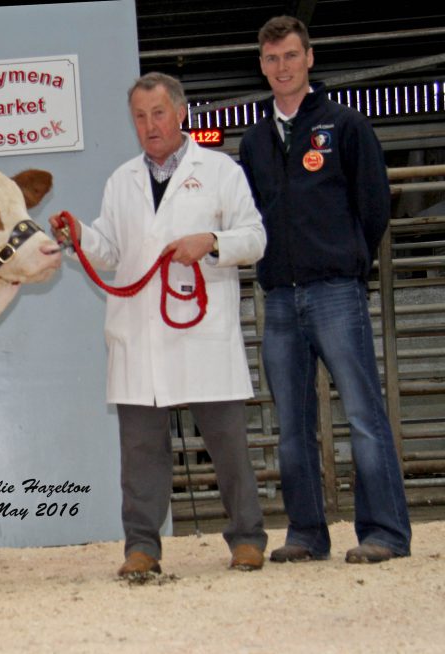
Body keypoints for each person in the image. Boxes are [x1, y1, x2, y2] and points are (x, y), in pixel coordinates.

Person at [50, 72, 268, 577]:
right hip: (141, 335)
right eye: (140, 117)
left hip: (202, 331)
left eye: (159, 114)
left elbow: (255, 237)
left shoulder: (220, 171)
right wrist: (78, 234)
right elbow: (109, 250)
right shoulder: (121, 180)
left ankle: (246, 538)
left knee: (228, 445)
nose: (150, 125)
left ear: (181, 113)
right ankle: (142, 548)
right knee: (141, 451)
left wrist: (211, 241)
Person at [239, 16, 411, 564]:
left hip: (336, 289)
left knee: (362, 413)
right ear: (262, 65)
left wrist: (349, 258)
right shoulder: (255, 141)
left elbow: (374, 204)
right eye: (272, 58)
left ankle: (385, 532)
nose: (282, 67)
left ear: (309, 57)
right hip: (280, 297)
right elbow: (252, 215)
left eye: (290, 55)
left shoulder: (345, 124)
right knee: (291, 425)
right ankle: (307, 533)